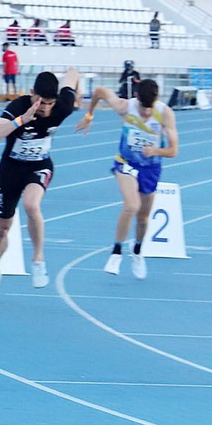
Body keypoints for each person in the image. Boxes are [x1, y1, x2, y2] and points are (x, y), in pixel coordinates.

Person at [0, 68, 81, 303]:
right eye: (40, 102)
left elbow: (73, 73)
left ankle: (38, 259)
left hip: (40, 166)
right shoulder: (18, 106)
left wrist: (83, 100)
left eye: (49, 103)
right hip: (11, 171)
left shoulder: (63, 106)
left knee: (31, 205)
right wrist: (21, 120)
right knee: (3, 226)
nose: (44, 108)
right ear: (32, 93)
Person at [77, 78, 179, 280]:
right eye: (143, 107)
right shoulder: (124, 106)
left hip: (150, 167)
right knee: (131, 206)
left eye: (150, 108)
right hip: (126, 163)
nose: (146, 113)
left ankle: (138, 251)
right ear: (136, 99)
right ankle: (116, 253)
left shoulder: (165, 114)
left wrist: (155, 150)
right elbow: (98, 91)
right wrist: (89, 115)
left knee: (142, 218)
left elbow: (174, 151)